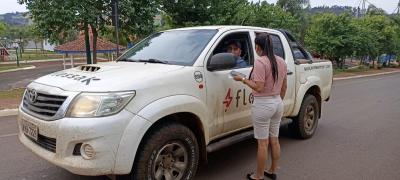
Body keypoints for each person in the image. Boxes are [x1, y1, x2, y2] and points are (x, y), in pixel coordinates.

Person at [233, 33, 287, 180]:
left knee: (262, 144)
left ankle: (258, 175)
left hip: (263, 104)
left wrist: (242, 79)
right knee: (274, 140)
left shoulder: (260, 62)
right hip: (277, 103)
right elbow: (284, 86)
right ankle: (273, 170)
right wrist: (277, 101)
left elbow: (258, 87)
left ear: (258, 46)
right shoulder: (281, 61)